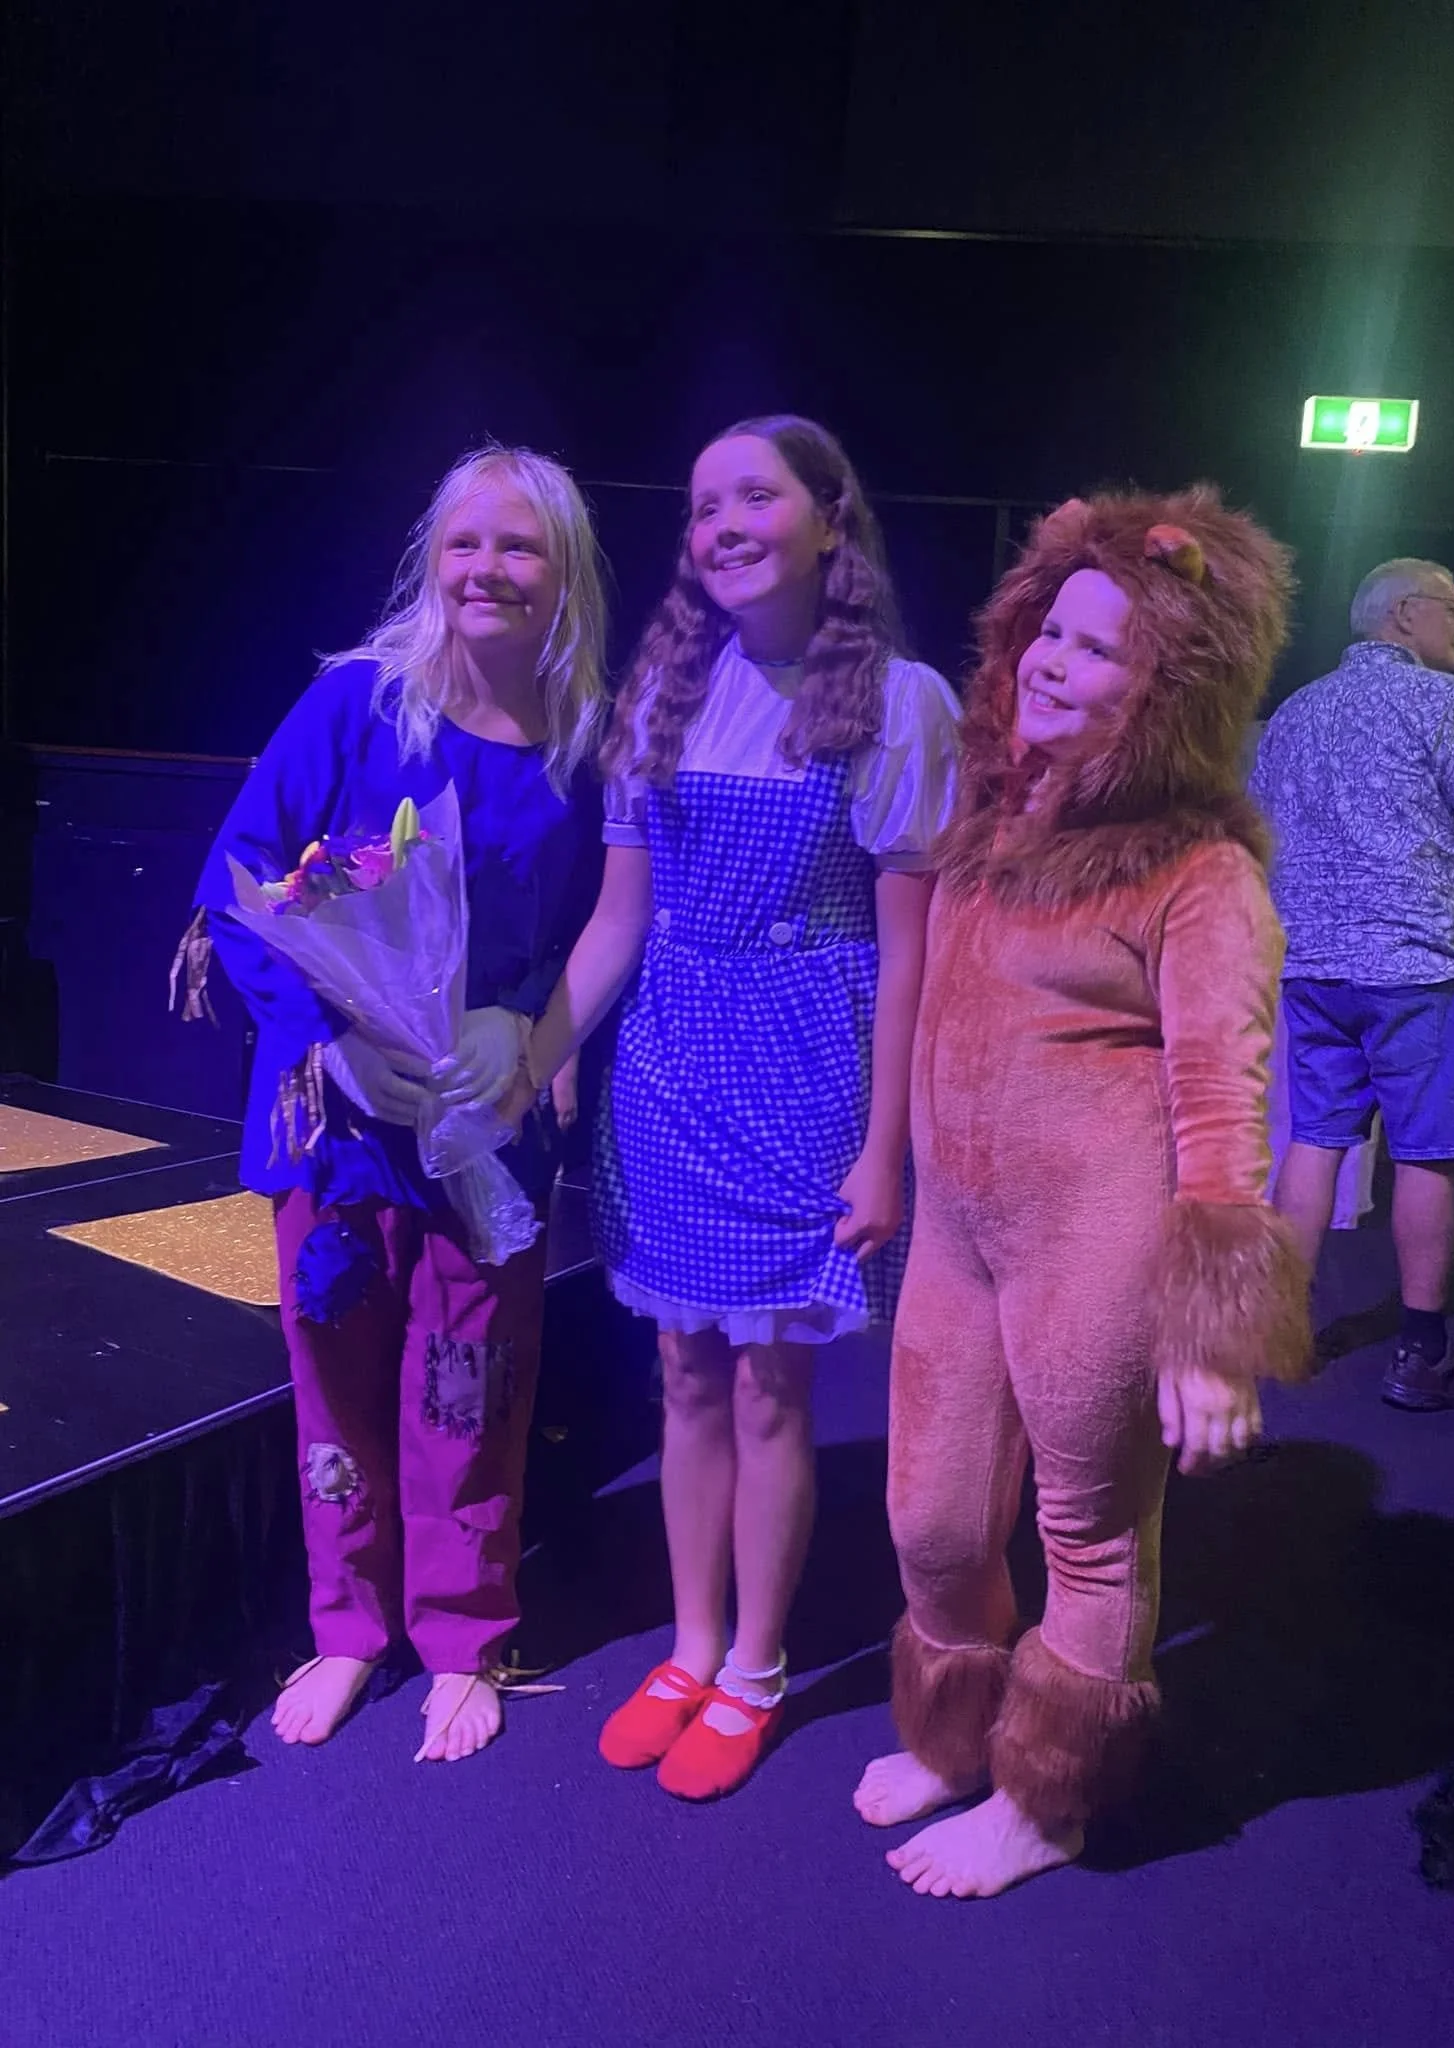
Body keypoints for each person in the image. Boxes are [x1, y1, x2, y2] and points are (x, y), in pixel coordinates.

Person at [853, 487, 1311, 1899]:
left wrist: (1215, 1330)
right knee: (931, 1520)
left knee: (1090, 1534)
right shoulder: (992, 822)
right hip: (958, 1237)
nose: (1056, 658)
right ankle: (955, 1731)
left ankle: (1048, 1804)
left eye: (1103, 649)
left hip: (1095, 1246)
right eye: (1052, 627)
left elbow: (1229, 1097)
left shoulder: (1201, 873)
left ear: (1170, 692)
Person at [504, 414, 961, 1799]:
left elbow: (907, 960)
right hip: (669, 1068)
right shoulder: (665, 692)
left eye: (753, 496)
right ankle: (691, 1645)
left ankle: (757, 1665)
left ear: (832, 515)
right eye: (703, 507)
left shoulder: (901, 702)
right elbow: (616, 923)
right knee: (682, 1377)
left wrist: (886, 1152)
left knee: (773, 1391)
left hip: (811, 1066)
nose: (721, 526)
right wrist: (525, 1060)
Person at [185, 445, 606, 1761]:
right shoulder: (357, 705)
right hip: (333, 1116)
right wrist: (334, 1047)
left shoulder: (586, 744)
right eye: (468, 541)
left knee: (468, 1379)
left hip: (485, 1120)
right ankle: (348, 1627)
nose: (490, 567)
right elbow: (242, 878)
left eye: (521, 546)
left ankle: (467, 1634)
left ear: (565, 573)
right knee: (340, 1376)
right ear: (435, 556)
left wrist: (523, 1034)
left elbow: (591, 927)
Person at [1252, 559, 1454, 1411]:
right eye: (1453, 611)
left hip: (1311, 966)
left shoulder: (1295, 713)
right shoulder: (1448, 706)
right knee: (1427, 1154)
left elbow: (1261, 834)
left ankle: (1276, 1339)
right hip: (1419, 969)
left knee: (1314, 1142)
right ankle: (1419, 1359)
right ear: (1406, 615)